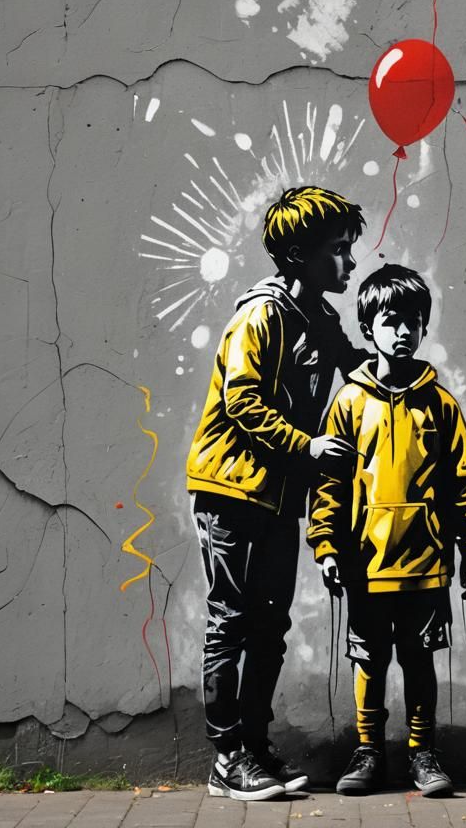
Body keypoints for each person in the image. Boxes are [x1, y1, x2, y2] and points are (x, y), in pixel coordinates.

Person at [187, 186, 367, 801]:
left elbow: (356, 367)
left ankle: (255, 748)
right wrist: (311, 448)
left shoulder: (322, 316)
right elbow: (244, 403)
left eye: (350, 250)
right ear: (297, 254)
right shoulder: (262, 315)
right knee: (231, 622)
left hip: (277, 498)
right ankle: (227, 757)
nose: (348, 264)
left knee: (271, 626)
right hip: (233, 489)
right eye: (338, 251)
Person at [307, 264, 466, 797]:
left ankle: (422, 754)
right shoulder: (348, 403)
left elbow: (465, 480)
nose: (403, 332)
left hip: (427, 566)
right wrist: (326, 545)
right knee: (369, 660)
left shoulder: (440, 404)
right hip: (366, 565)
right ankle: (368, 754)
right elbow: (330, 484)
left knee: (419, 660)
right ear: (369, 330)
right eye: (391, 321)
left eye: (413, 321)